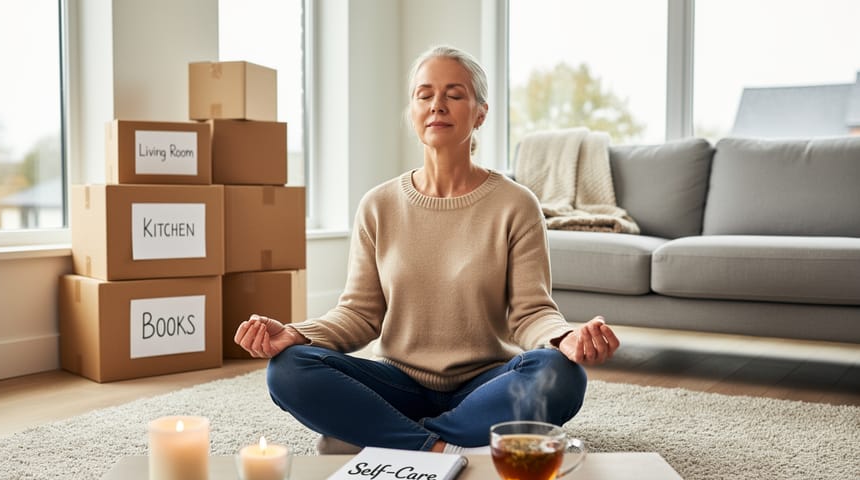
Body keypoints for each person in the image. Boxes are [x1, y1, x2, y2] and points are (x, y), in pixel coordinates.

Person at [234, 45, 620, 454]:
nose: (438, 105)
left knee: (562, 375)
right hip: (397, 382)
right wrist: (295, 333)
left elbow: (531, 313)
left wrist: (565, 338)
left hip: (486, 383)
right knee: (289, 370)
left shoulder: (516, 204)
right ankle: (444, 447)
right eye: (425, 95)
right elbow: (359, 314)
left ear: (480, 113)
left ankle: (388, 435)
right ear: (413, 112)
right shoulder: (378, 205)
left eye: (454, 94)